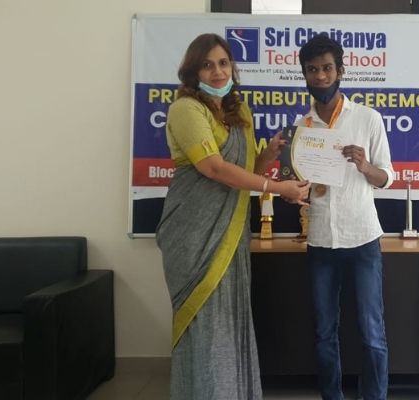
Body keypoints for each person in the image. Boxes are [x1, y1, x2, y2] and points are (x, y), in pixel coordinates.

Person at [156, 33, 310, 400]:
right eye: (207, 65)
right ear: (193, 72)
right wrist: (279, 188)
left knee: (229, 320)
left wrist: (269, 155)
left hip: (231, 232)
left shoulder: (240, 114)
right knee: (205, 322)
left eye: (223, 63)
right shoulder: (186, 109)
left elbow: (243, 171)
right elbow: (214, 168)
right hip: (193, 232)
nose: (217, 71)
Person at [295, 34, 395, 400]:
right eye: (312, 70)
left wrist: (365, 166)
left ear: (340, 71)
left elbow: (387, 177)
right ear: (305, 75)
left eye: (327, 68)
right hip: (321, 240)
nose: (320, 76)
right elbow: (301, 185)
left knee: (372, 332)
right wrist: (298, 191)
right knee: (324, 333)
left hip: (363, 238)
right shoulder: (303, 128)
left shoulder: (368, 119)